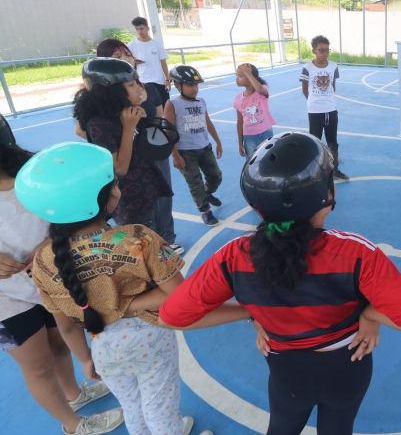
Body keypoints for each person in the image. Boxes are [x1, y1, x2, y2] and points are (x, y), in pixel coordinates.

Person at [159, 131, 401, 435]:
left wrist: (251, 312)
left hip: (287, 373)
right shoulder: (356, 253)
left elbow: (172, 317)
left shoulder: (234, 256)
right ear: (326, 196)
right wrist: (369, 315)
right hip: (348, 365)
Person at [17, 142, 244, 435]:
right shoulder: (139, 239)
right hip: (150, 340)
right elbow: (181, 297)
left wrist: (84, 358)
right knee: (159, 405)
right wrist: (126, 304)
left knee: (132, 407)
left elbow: (67, 326)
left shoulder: (42, 262)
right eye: (113, 183)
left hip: (102, 346)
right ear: (108, 198)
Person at [0, 116, 123, 435]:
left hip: (49, 278)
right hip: (6, 299)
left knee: (58, 342)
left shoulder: (32, 172)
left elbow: (64, 213)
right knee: (38, 365)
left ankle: (74, 394)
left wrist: (49, 243)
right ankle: (73, 425)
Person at [94, 39, 182, 255]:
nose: (126, 59)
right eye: (117, 57)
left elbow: (160, 122)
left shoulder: (149, 89)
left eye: (127, 54)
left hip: (153, 157)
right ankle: (152, 254)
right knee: (139, 221)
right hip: (132, 169)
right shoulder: (101, 109)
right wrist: (128, 129)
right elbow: (118, 166)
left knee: (162, 198)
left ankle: (167, 240)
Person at [73, 58, 172, 229]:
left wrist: (142, 122)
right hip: (131, 200)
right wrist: (128, 128)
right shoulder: (99, 124)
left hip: (147, 186)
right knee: (144, 238)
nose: (139, 89)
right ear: (111, 91)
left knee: (160, 229)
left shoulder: (123, 112)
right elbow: (119, 169)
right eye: (132, 85)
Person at [165, 65, 224, 226]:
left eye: (196, 85)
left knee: (216, 176)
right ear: (178, 85)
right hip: (185, 152)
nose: (195, 89)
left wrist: (218, 142)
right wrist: (175, 156)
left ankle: (207, 193)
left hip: (204, 147)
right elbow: (169, 131)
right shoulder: (172, 104)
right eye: (190, 85)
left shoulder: (201, 101)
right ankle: (205, 211)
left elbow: (208, 123)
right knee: (195, 182)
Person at [300, 35, 348, 180]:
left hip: (331, 109)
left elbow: (333, 86)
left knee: (332, 141)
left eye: (327, 50)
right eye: (321, 50)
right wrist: (315, 101)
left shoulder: (333, 66)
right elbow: (305, 89)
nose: (325, 53)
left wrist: (328, 100)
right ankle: (313, 172)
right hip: (315, 111)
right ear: (314, 51)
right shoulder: (307, 68)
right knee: (314, 141)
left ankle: (334, 169)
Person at [234, 63, 276, 158]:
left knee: (268, 158)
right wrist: (240, 143)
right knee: (252, 160)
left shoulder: (262, 90)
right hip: (249, 137)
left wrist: (248, 73)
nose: (236, 79)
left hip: (266, 132)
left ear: (250, 77)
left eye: (240, 76)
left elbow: (260, 89)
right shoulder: (238, 99)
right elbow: (240, 122)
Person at [128, 17, 171, 105]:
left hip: (159, 81)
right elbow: (128, 63)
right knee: (150, 109)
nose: (139, 32)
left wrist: (167, 80)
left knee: (165, 106)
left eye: (141, 28)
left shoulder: (157, 44)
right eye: (137, 29)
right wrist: (135, 63)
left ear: (147, 28)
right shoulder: (131, 45)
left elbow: (163, 63)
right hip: (142, 82)